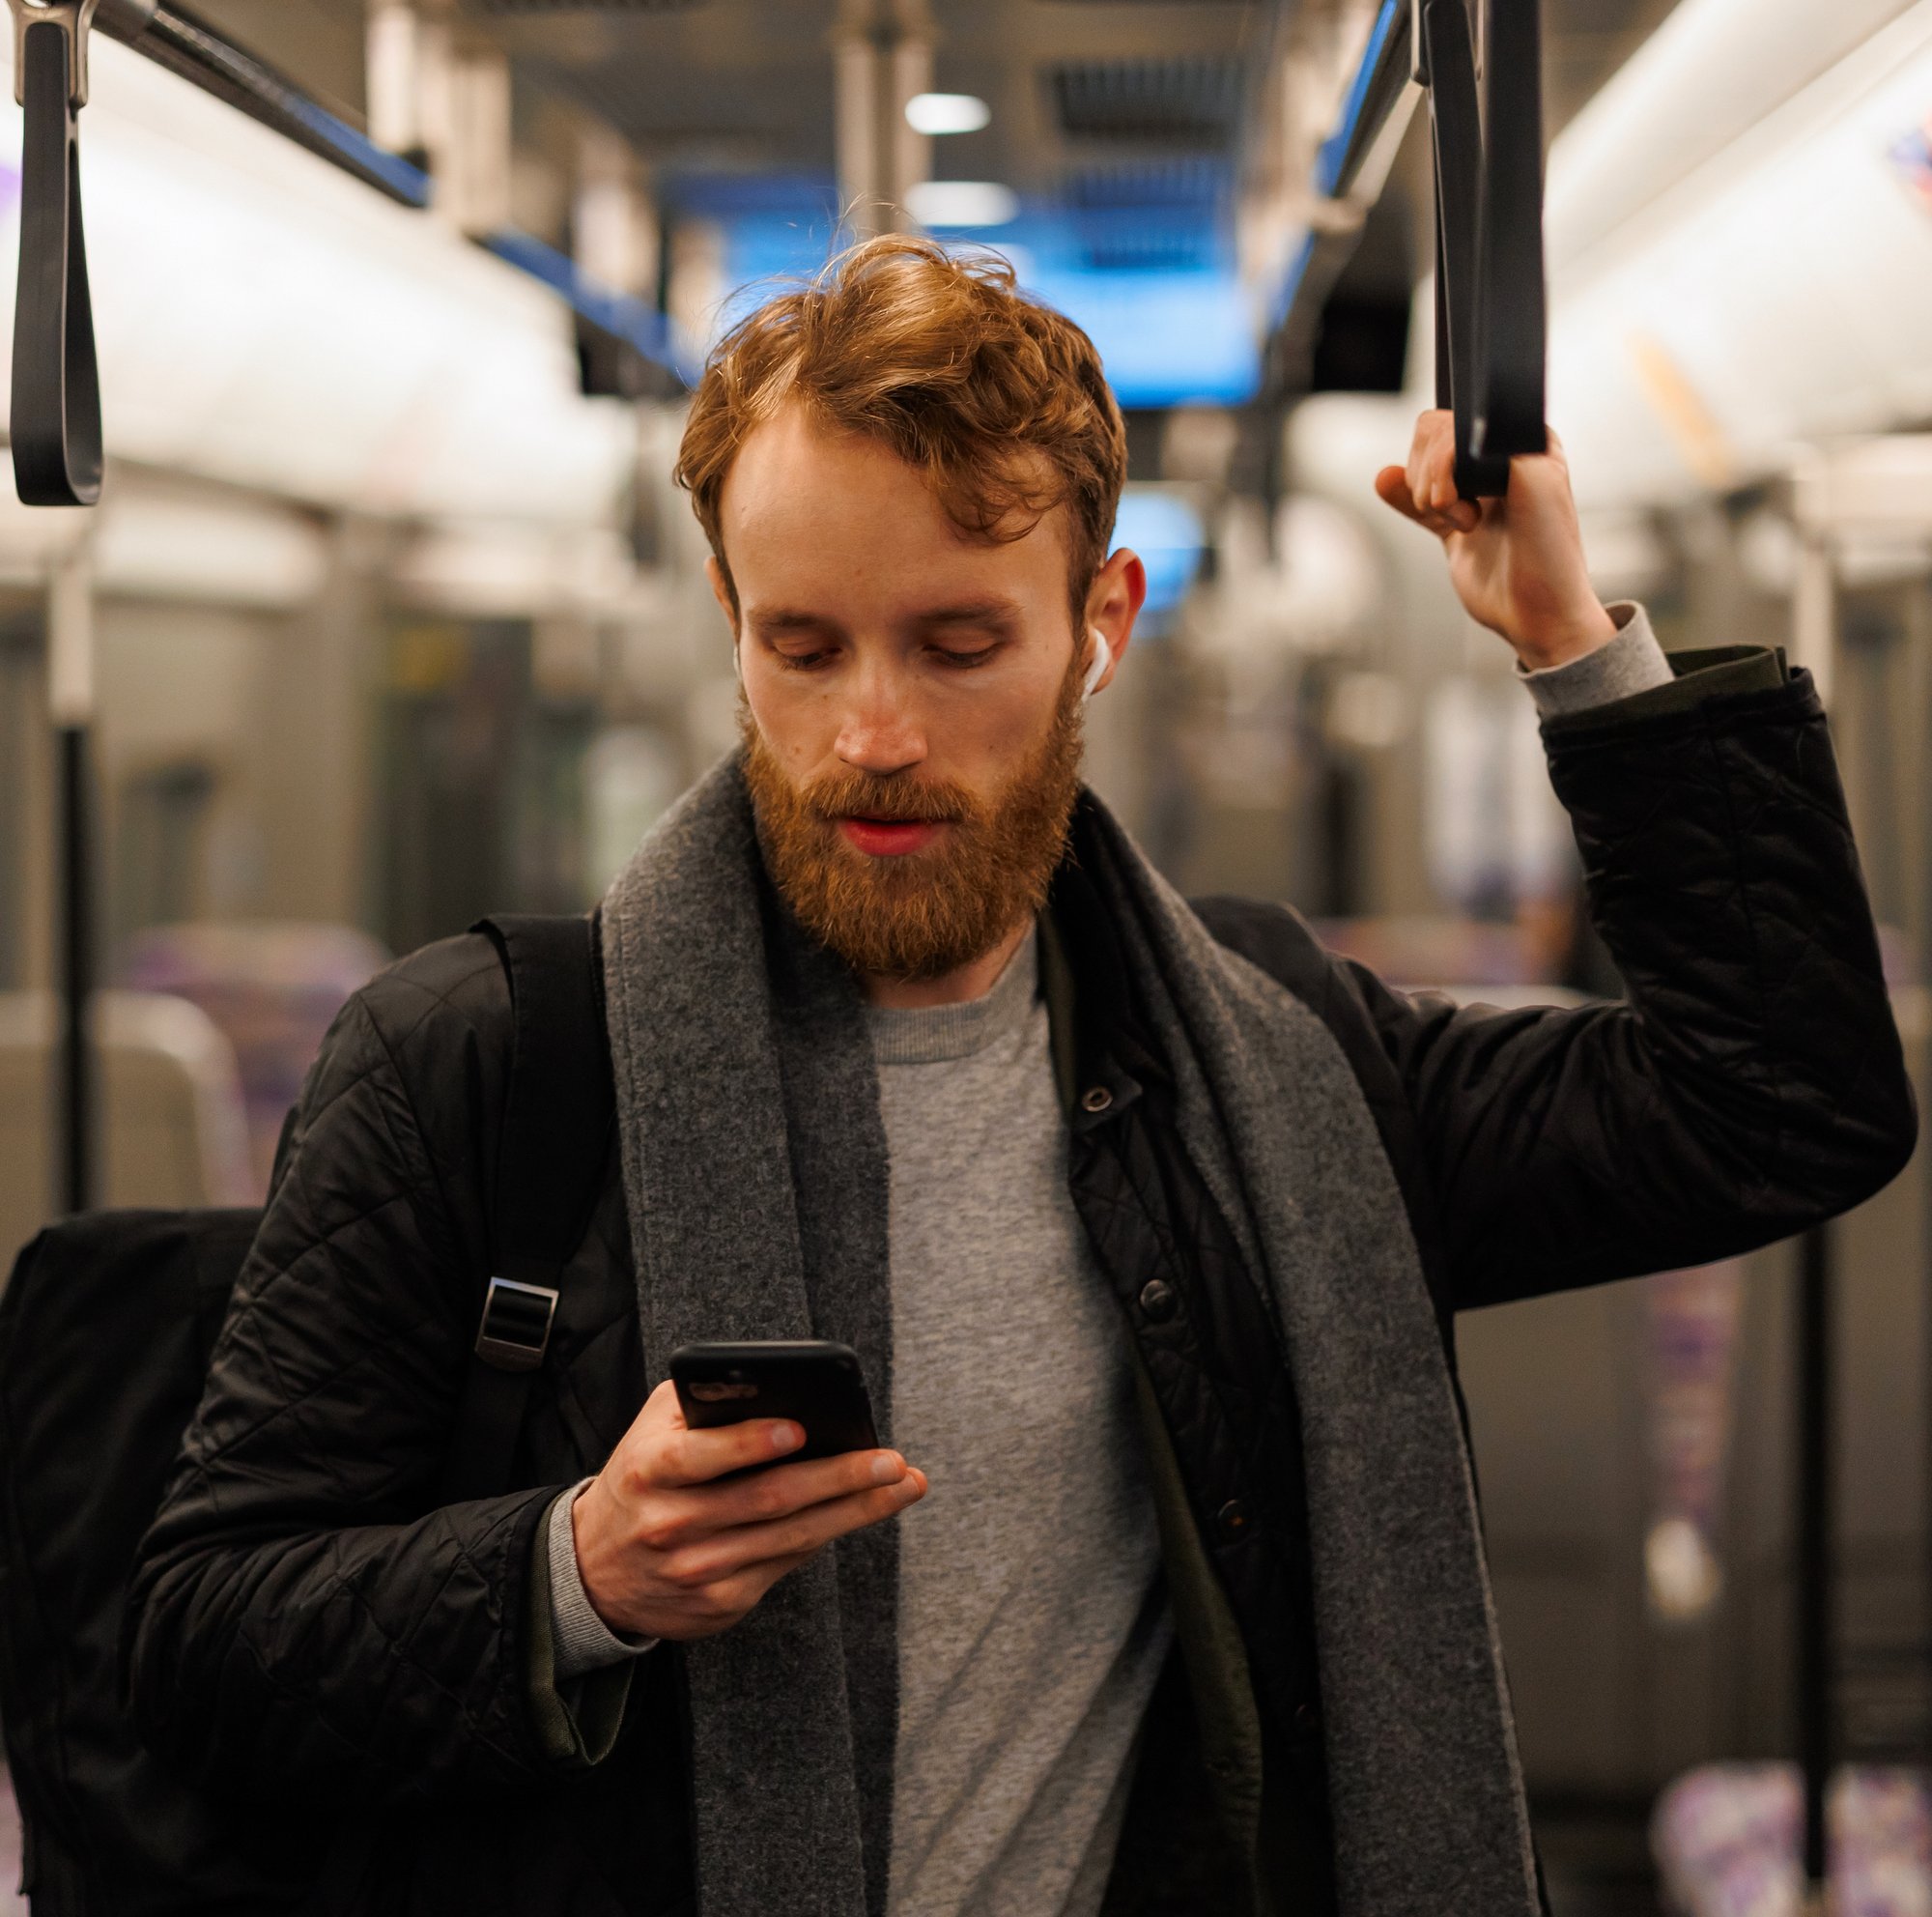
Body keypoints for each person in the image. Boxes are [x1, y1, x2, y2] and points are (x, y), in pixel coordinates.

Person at [128, 237, 1914, 1917]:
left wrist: (1570, 642)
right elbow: (199, 1644)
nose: (873, 736)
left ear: (1101, 622)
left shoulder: (1279, 1073)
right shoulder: (480, 1068)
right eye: (802, 648)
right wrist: (575, 1577)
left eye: (960, 644)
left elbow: (1777, 1105)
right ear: (730, 623)